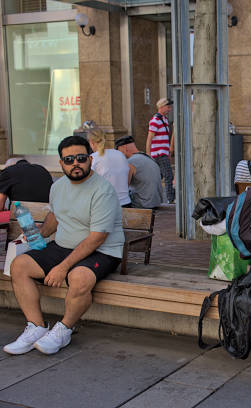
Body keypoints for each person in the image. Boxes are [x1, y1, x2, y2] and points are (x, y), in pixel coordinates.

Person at [3, 136, 124, 355]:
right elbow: (55, 216)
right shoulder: (58, 187)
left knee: (78, 277)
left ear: (90, 159)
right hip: (64, 246)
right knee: (20, 265)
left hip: (102, 250)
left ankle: (65, 329)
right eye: (69, 159)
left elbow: (97, 238)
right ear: (61, 163)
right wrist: (38, 234)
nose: (75, 163)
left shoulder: (102, 190)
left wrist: (62, 267)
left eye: (81, 158)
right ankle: (36, 327)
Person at [87, 128, 134, 208]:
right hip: (126, 203)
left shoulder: (93, 158)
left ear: (91, 142)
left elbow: (88, 186)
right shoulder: (120, 154)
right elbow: (128, 176)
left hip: (106, 205)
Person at [114, 136, 163, 209]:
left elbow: (123, 187)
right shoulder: (148, 158)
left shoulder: (130, 162)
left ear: (124, 148)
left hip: (143, 204)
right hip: (156, 202)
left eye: (118, 151)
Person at [147, 98, 175, 203]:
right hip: (159, 154)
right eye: (168, 107)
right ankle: (170, 199)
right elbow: (149, 138)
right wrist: (148, 154)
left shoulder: (165, 120)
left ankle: (153, 197)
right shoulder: (155, 121)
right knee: (168, 176)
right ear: (161, 107)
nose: (170, 109)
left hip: (162, 153)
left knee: (159, 176)